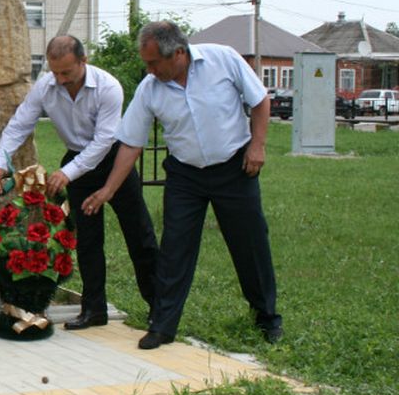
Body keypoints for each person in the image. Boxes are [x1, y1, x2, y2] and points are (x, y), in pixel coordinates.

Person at [82, 20, 283, 349]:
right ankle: (162, 325)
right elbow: (131, 143)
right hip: (185, 175)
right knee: (175, 250)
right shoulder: (150, 88)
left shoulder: (224, 60)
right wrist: (109, 189)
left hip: (235, 169)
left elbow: (260, 101)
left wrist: (257, 146)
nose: (148, 70)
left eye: (152, 62)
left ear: (177, 53)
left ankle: (267, 318)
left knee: (250, 244)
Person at [0, 35, 159, 330]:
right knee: (88, 241)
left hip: (114, 161)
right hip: (77, 162)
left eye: (67, 72)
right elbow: (19, 124)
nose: (60, 79)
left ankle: (159, 306)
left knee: (139, 236)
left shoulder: (108, 87)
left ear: (84, 61)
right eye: (55, 72)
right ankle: (94, 310)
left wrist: (68, 172)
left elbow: (105, 139)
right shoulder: (46, 86)